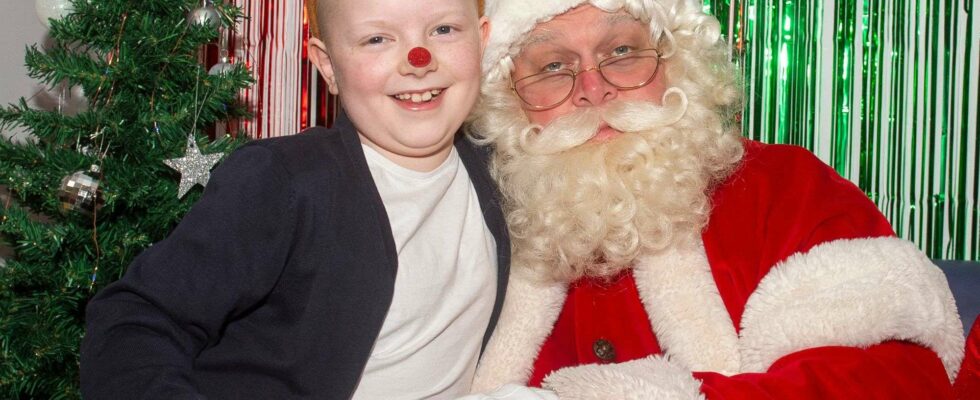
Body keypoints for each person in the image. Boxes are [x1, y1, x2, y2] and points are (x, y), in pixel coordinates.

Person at [466, 0, 967, 398]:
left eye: (620, 52)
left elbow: (895, 373)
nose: (594, 90)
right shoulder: (475, 229)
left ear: (676, 63)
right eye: (554, 66)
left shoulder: (785, 187)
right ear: (510, 101)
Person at [80, 0, 509, 398]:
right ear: (328, 66)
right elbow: (135, 318)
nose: (419, 60)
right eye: (377, 39)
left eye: (444, 29)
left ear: (482, 40)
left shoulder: (502, 168)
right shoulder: (283, 182)